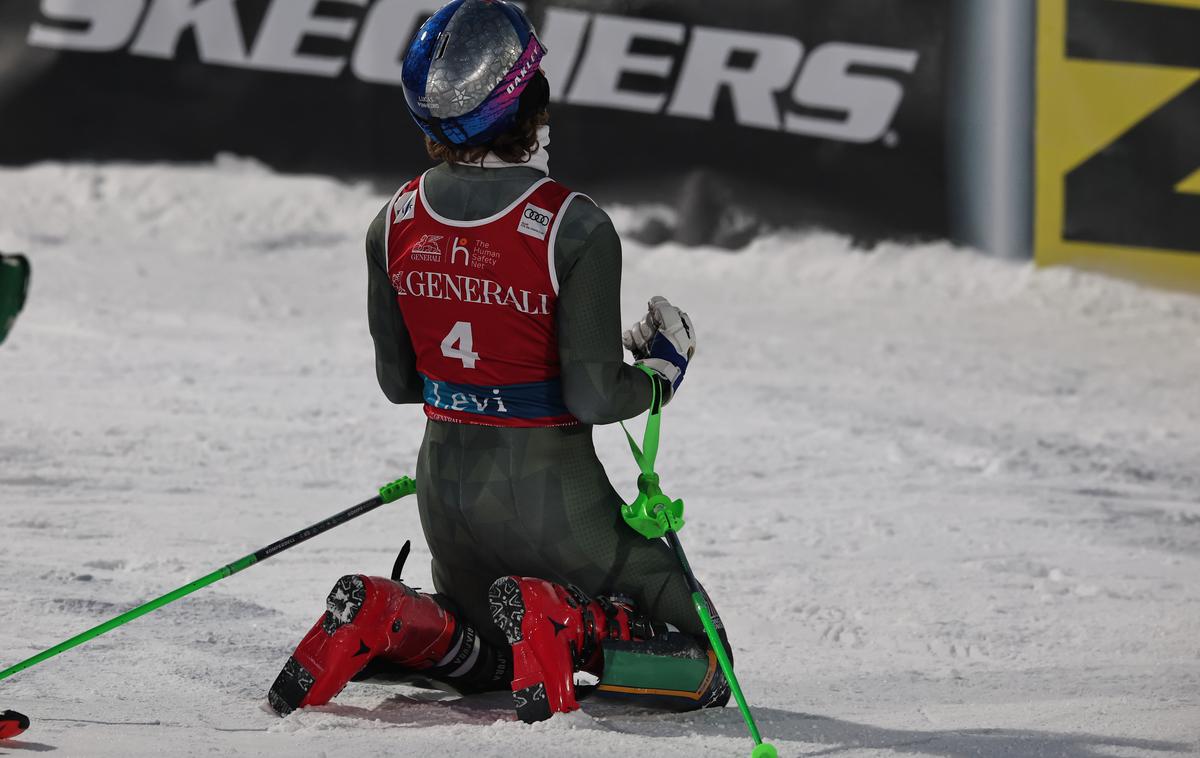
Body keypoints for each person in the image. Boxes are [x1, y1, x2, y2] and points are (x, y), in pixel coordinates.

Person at [268, 0, 729, 723]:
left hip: (446, 498)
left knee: (483, 648)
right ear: (529, 108)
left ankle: (388, 616)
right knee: (706, 662)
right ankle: (568, 624)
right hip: (554, 507)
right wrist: (662, 374)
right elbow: (592, 397)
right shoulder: (575, 224)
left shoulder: (393, 218)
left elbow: (399, 383)